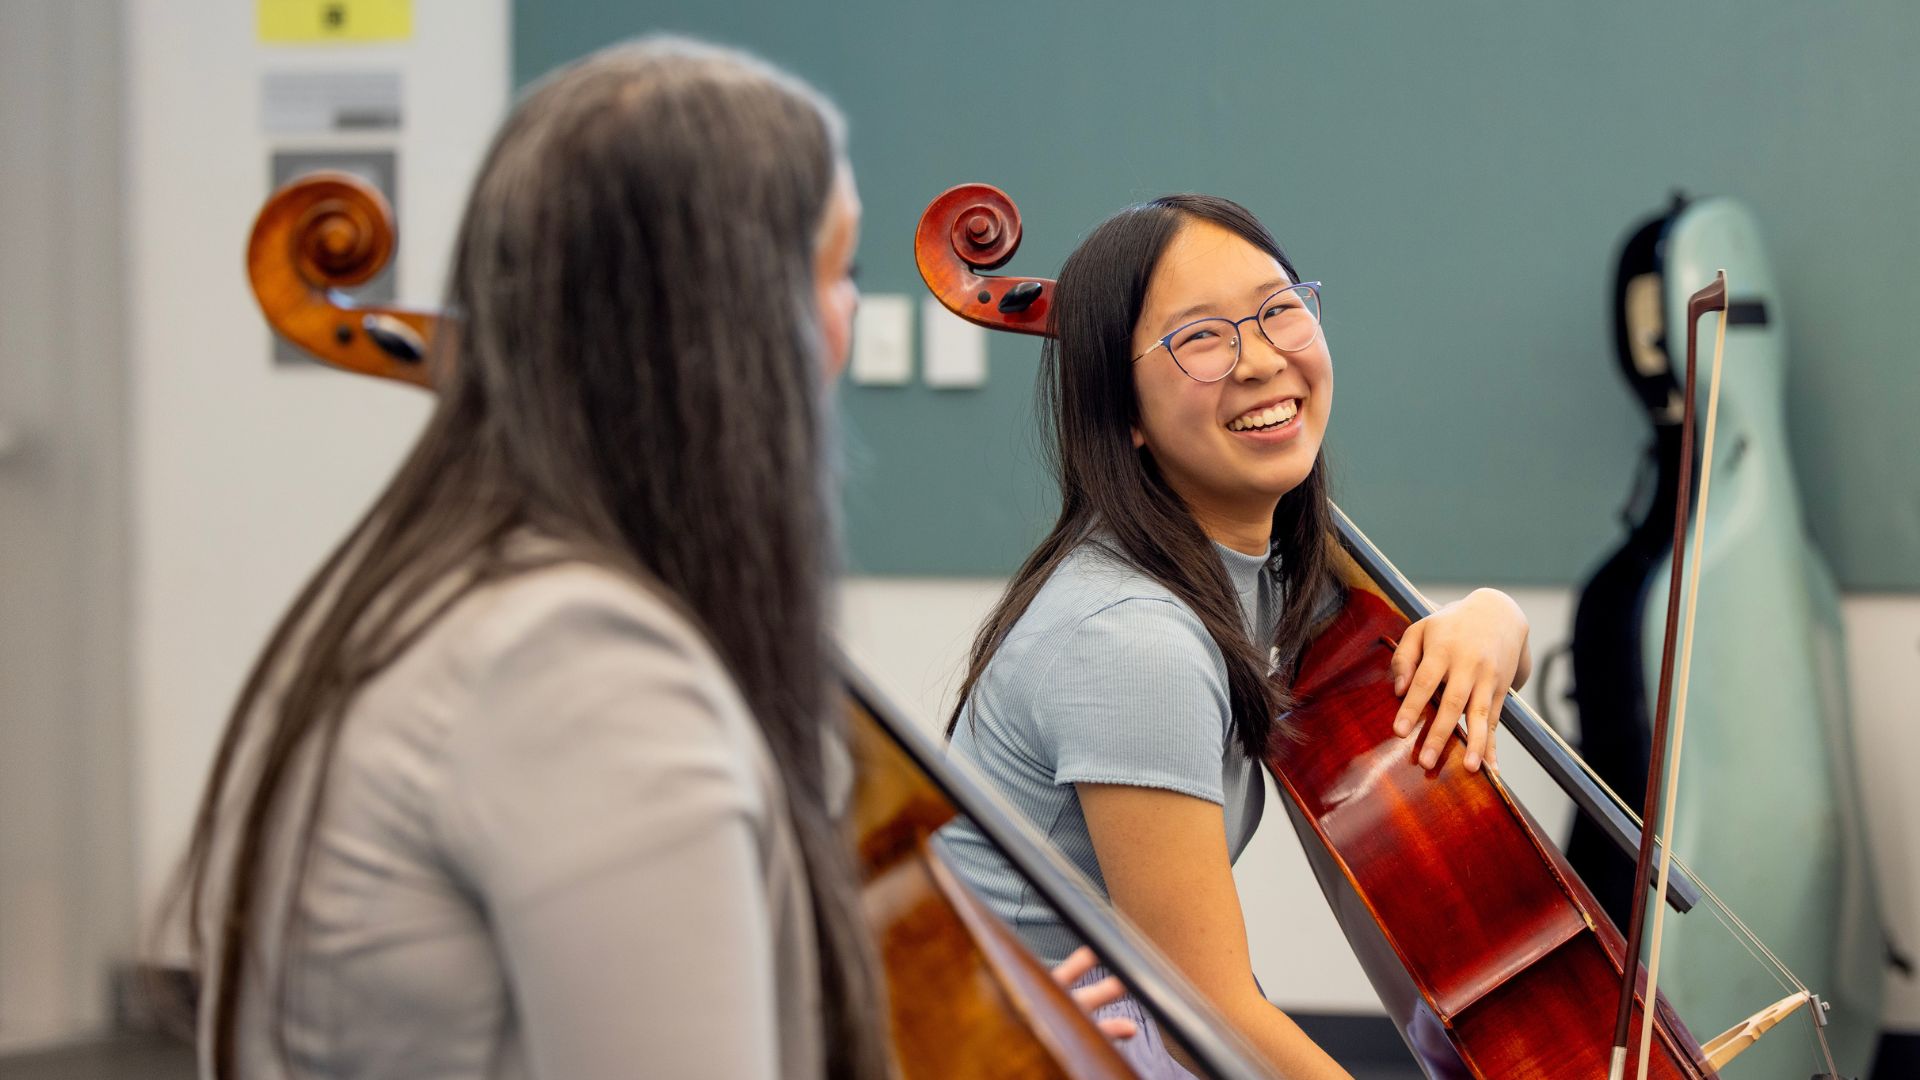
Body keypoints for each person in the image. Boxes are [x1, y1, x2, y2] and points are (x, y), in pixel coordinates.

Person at [177, 37, 1132, 1080]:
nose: (849, 320)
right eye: (838, 272)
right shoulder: (577, 670)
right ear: (728, 327)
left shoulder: (454, 594)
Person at [937, 194, 1534, 1078]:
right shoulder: (1134, 639)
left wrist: (1497, 618)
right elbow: (1202, 1008)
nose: (1261, 359)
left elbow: (1451, 672)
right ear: (1126, 415)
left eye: (1278, 308)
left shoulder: (1261, 578)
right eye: (1201, 338)